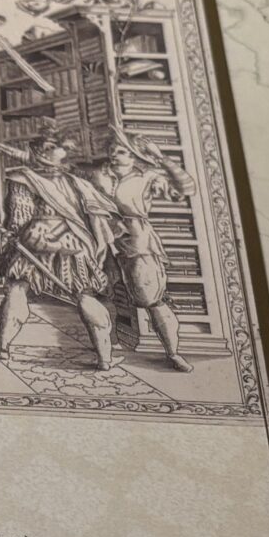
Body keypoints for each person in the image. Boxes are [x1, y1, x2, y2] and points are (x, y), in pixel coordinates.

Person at [0, 136, 118, 369]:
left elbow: (19, 216)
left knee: (16, 290)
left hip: (35, 239)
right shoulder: (76, 182)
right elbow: (93, 217)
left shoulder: (23, 178)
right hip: (72, 241)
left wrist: (13, 233)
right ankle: (104, 358)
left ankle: (3, 348)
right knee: (83, 294)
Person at [94, 136, 191, 371]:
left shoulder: (148, 177)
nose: (114, 154)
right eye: (112, 149)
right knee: (100, 293)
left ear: (134, 156)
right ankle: (106, 352)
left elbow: (185, 190)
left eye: (121, 151)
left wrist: (162, 159)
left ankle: (173, 353)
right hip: (101, 240)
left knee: (152, 299)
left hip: (137, 242)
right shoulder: (98, 175)